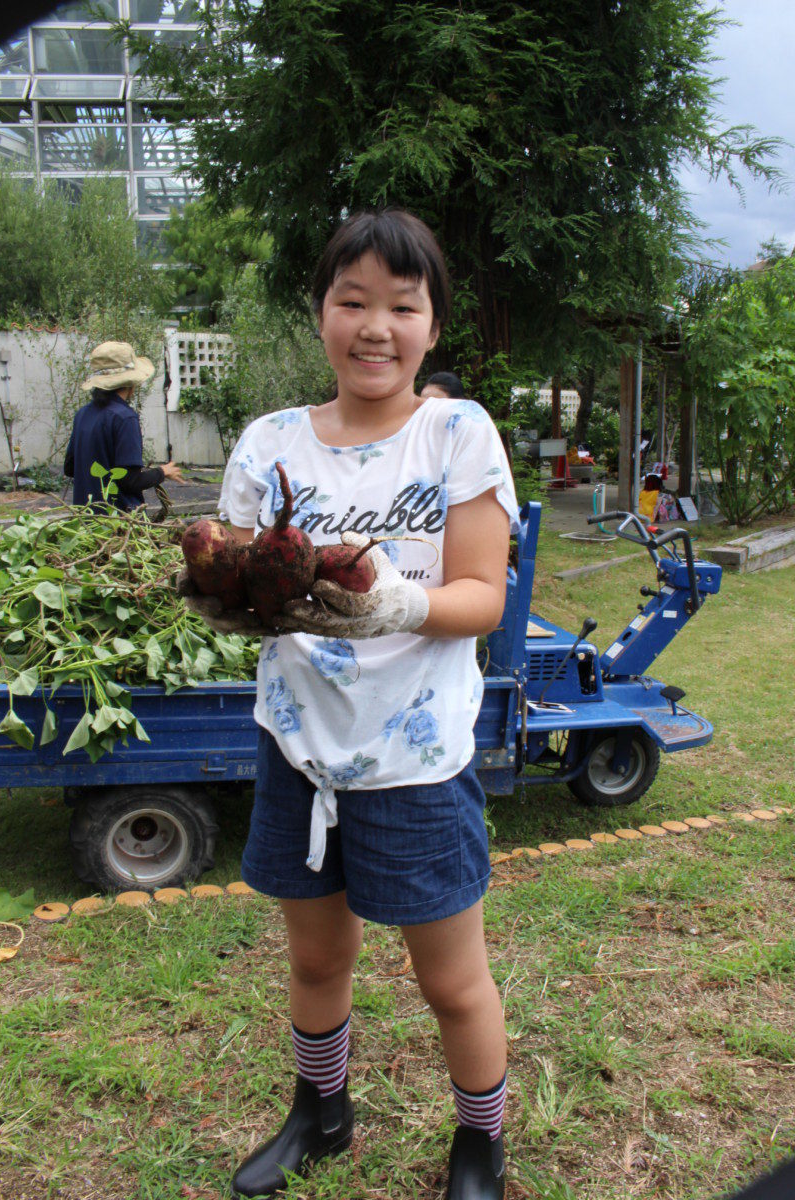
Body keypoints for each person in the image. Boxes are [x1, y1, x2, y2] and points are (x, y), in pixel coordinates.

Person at [184, 209, 518, 1199]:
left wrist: (392, 605)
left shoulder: (455, 433)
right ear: (321, 315)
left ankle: (478, 1147)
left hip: (414, 758)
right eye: (352, 301)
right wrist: (220, 597)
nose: (376, 325)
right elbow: (241, 574)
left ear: (431, 326)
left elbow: (481, 597)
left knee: (449, 982)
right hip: (298, 744)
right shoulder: (272, 441)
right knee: (317, 959)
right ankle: (319, 1113)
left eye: (400, 306)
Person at [64, 340, 182, 510]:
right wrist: (162, 472)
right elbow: (129, 481)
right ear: (130, 383)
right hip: (118, 524)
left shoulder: (83, 414)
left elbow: (70, 468)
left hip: (84, 521)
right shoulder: (125, 418)